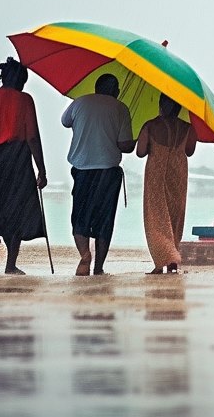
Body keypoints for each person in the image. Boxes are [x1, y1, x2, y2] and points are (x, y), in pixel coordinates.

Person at [0, 58, 48, 274]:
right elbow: (32, 137)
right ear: (20, 80)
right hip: (18, 159)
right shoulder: (25, 100)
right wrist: (41, 168)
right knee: (17, 210)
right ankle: (10, 265)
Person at [61, 73, 134, 276]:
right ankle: (99, 266)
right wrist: (133, 141)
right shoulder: (121, 108)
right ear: (116, 91)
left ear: (96, 87)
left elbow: (65, 122)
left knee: (80, 217)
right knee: (104, 220)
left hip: (82, 169)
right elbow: (124, 145)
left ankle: (85, 254)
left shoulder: (80, 102)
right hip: (108, 172)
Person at [136, 95, 197, 274]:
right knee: (175, 215)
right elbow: (190, 151)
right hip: (178, 173)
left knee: (156, 216)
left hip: (156, 174)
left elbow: (140, 152)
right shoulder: (188, 128)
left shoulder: (150, 126)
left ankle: (164, 259)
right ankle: (172, 259)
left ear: (160, 105)